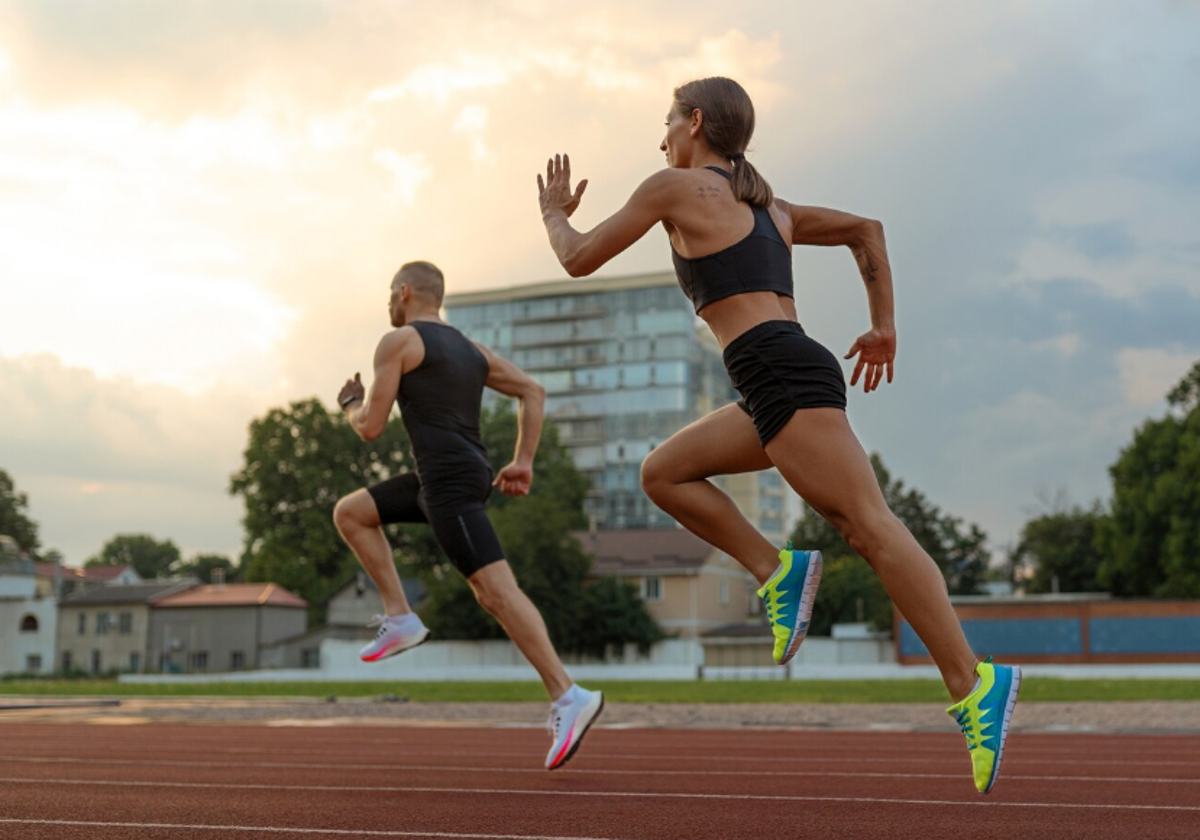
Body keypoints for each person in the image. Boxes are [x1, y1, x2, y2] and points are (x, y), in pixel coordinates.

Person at [536, 77, 1020, 794]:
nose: (661, 137)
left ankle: (974, 683)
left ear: (695, 123)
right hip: (775, 376)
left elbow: (576, 257)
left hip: (778, 371)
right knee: (663, 473)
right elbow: (868, 231)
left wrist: (552, 213)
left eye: (667, 122)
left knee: (870, 527)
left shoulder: (673, 186)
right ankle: (776, 571)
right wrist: (883, 323)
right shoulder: (773, 209)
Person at [332, 260, 603, 770]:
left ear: (406, 292)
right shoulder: (471, 350)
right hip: (444, 477)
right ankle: (400, 616)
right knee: (351, 513)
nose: (389, 303)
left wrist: (350, 403)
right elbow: (533, 391)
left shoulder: (399, 343)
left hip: (449, 483)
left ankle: (569, 695)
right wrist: (522, 461)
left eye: (391, 293)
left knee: (496, 593)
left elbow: (369, 426)